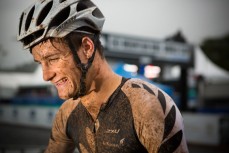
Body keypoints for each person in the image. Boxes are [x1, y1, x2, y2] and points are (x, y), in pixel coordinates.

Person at [17, 0, 189, 152]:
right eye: (40, 63)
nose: (46, 75)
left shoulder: (146, 105)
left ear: (87, 48)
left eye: (53, 59)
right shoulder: (67, 113)